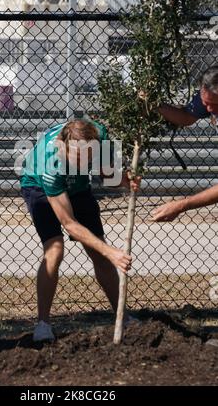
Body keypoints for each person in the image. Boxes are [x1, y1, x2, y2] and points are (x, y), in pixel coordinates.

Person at [20, 118, 140, 342]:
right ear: (64, 146)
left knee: (98, 256)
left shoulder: (99, 135)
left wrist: (123, 179)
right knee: (55, 249)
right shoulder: (51, 165)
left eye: (87, 159)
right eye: (76, 159)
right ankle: (43, 324)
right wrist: (111, 251)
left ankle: (123, 317)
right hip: (37, 185)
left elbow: (106, 174)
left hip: (78, 188)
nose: (82, 165)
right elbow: (70, 225)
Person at [152, 65, 218, 222]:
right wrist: (154, 103)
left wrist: (182, 205)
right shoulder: (210, 96)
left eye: (214, 104)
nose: (208, 108)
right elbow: (186, 117)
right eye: (205, 102)